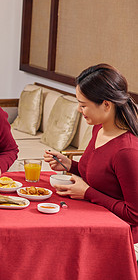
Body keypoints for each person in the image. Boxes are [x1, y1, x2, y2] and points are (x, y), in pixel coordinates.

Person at [43, 64, 138, 261]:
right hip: (94, 216)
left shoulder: (126, 151)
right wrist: (70, 166)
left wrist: (87, 193)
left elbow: (134, 215)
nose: (79, 110)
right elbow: (102, 177)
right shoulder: (99, 128)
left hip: (120, 234)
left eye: (83, 104)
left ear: (106, 104)